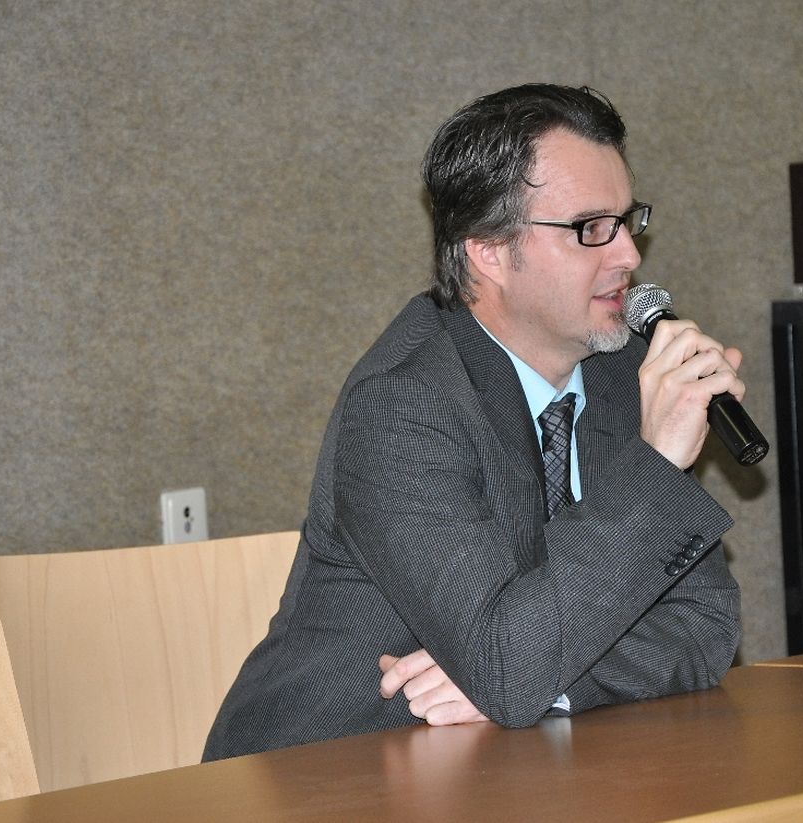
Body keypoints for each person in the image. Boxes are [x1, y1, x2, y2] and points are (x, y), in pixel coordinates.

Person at [203, 83, 743, 760]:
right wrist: (655, 466)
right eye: (590, 228)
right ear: (487, 249)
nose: (629, 256)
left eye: (627, 220)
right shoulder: (402, 406)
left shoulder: (624, 373)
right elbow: (509, 664)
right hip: (329, 770)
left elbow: (705, 625)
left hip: (514, 769)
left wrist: (551, 686)